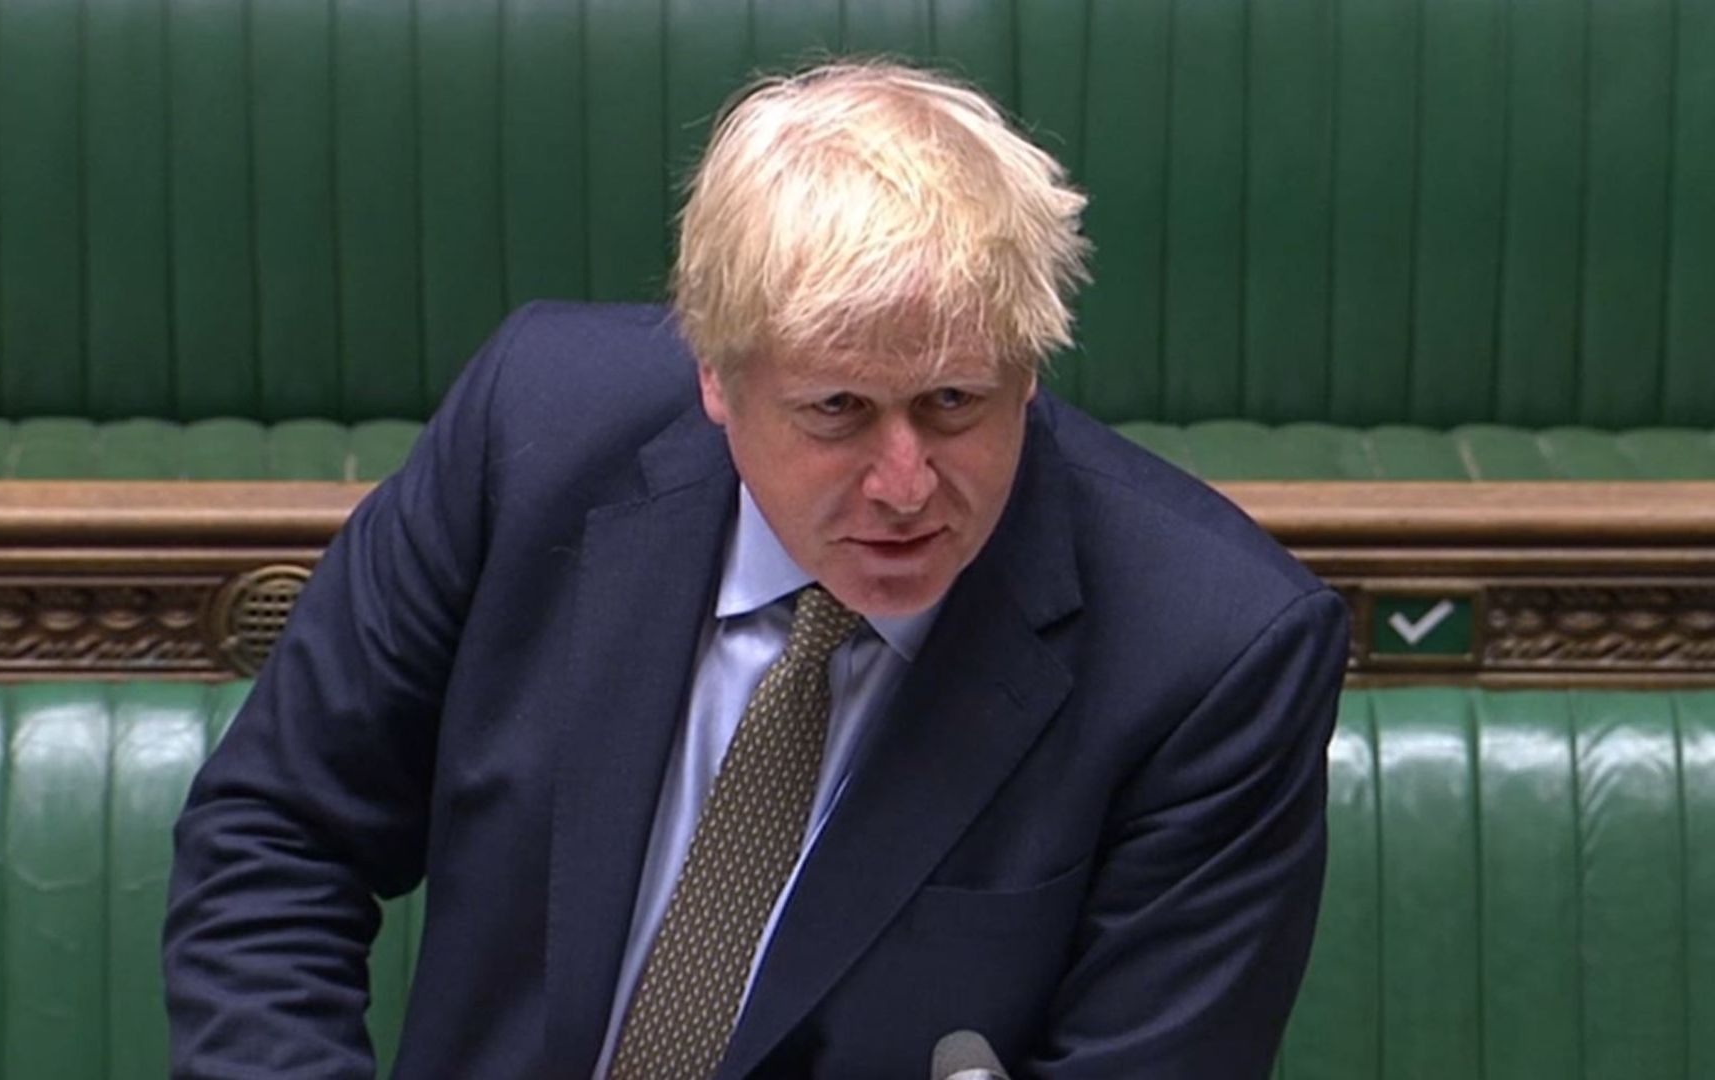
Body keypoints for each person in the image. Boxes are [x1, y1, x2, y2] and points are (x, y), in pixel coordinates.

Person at [164, 60, 1350, 1079]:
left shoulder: (1216, 654)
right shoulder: (536, 437)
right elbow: (281, 834)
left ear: (1028, 369)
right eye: (836, 410)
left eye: (953, 403)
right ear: (716, 380)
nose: (904, 482)